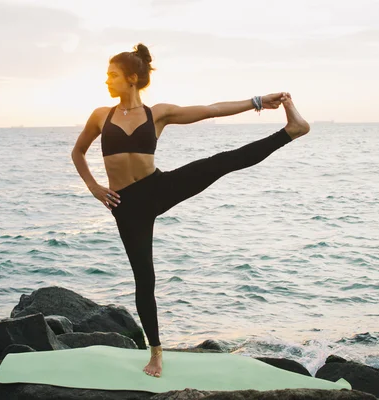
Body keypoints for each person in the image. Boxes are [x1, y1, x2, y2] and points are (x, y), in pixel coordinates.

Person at [71, 43, 310, 378]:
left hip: (157, 188)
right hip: (125, 207)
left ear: (132, 78)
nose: (107, 80)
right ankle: (156, 352)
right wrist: (94, 188)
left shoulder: (159, 113)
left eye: (112, 75)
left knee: (221, 162)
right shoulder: (101, 115)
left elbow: (210, 109)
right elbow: (78, 153)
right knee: (145, 279)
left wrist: (256, 102)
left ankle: (292, 130)